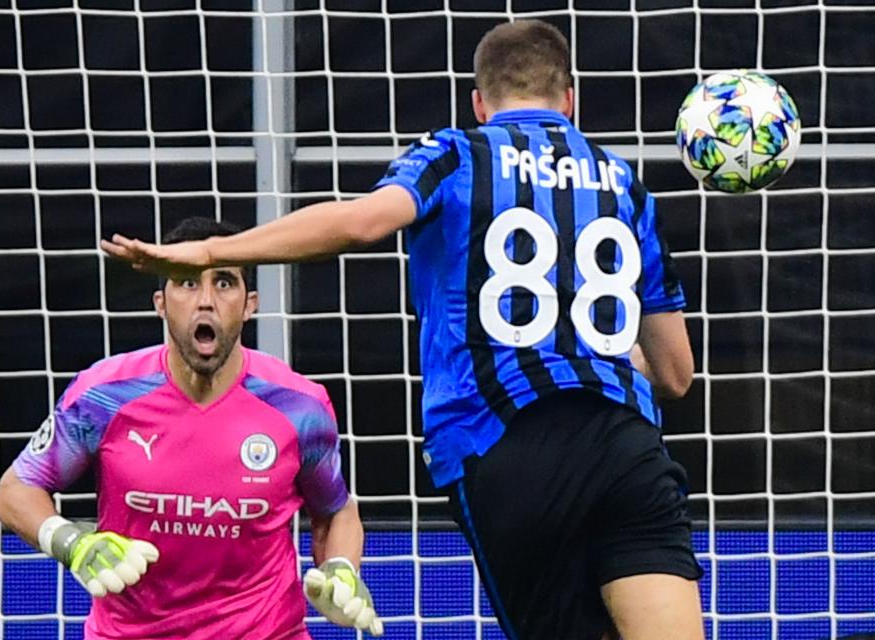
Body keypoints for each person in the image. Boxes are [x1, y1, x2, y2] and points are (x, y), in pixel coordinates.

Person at [102, 20, 703, 640]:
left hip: (505, 442)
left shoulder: (457, 153)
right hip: (627, 444)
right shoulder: (623, 182)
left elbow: (362, 223)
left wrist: (208, 252)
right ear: (570, 99)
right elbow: (676, 373)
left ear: (478, 101)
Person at [0, 217, 383, 639]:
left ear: (250, 304)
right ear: (160, 302)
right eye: (187, 283)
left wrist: (341, 569)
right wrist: (71, 542)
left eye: (224, 283)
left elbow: (335, 511)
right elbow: (15, 491)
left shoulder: (299, 407)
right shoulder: (104, 396)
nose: (206, 301)